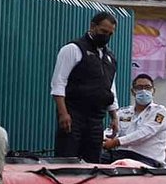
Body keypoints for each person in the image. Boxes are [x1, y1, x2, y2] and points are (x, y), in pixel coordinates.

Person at [51, 11, 119, 163]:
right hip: (74, 114)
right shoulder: (73, 49)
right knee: (67, 159)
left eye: (110, 33)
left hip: (96, 118)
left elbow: (109, 86)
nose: (106, 36)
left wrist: (114, 116)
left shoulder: (110, 57)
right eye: (103, 31)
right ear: (93, 26)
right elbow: (58, 83)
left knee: (93, 161)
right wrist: (63, 113)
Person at [100, 74, 166, 168]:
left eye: (148, 87)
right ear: (133, 91)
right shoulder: (123, 112)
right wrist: (102, 139)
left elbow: (144, 133)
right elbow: (111, 131)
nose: (144, 91)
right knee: (95, 159)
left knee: (125, 164)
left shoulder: (160, 112)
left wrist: (116, 142)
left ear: (153, 91)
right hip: (121, 154)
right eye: (139, 87)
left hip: (147, 159)